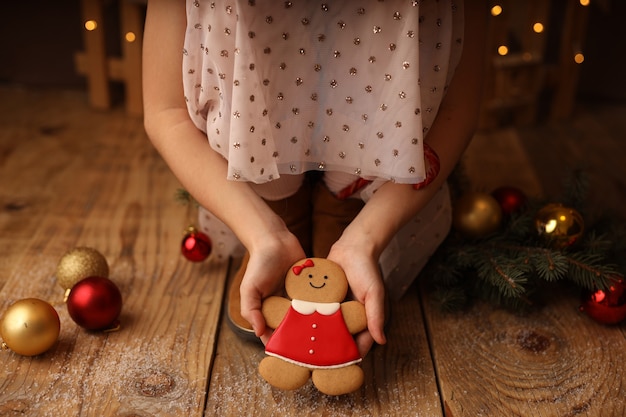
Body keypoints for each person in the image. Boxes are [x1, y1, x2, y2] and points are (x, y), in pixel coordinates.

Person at [143, 0, 486, 356]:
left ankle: (343, 207)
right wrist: (265, 234)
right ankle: (279, 207)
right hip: (260, 184)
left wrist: (365, 238)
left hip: (372, 184)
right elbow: (167, 111)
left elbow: (457, 108)